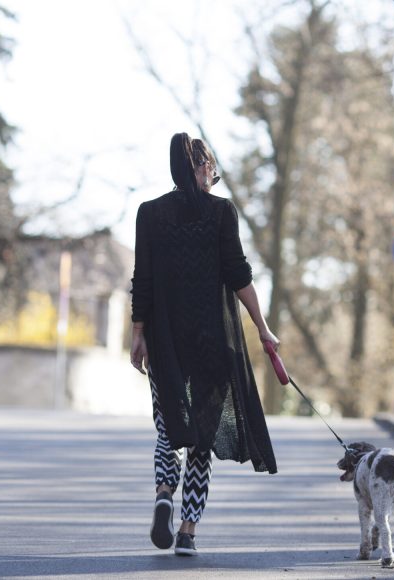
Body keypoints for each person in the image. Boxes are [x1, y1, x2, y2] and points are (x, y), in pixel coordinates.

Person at [130, 132, 280, 557]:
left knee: (167, 428)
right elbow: (239, 275)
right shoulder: (221, 213)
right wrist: (263, 328)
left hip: (164, 342)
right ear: (200, 168)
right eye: (209, 165)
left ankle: (163, 492)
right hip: (212, 341)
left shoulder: (149, 213)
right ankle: (188, 531)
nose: (212, 173)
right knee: (200, 441)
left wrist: (138, 335)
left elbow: (142, 280)